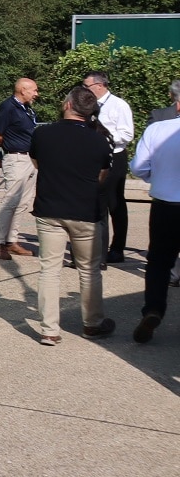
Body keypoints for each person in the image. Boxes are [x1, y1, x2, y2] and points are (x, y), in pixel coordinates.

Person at [26, 85, 115, 344]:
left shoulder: (42, 134)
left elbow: (37, 163)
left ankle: (49, 329)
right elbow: (102, 176)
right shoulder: (100, 139)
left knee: (49, 270)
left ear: (67, 105)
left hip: (50, 208)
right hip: (85, 211)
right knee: (89, 270)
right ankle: (93, 323)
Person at [130, 104, 180, 342]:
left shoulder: (157, 129)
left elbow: (138, 166)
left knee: (159, 263)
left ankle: (153, 310)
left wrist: (156, 177)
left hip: (165, 204)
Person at [81, 70, 134, 263]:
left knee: (114, 202)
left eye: (87, 86)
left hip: (115, 157)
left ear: (100, 85)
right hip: (92, 157)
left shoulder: (119, 105)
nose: (84, 90)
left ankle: (117, 248)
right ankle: (96, 248)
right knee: (95, 202)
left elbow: (127, 134)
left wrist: (104, 140)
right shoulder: (87, 105)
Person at [0, 77, 40, 260]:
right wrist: (12, 144)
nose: (36, 94)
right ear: (23, 90)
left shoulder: (26, 109)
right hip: (16, 158)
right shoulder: (8, 107)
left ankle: (12, 241)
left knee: (23, 203)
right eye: (34, 90)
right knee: (10, 202)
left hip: (29, 159)